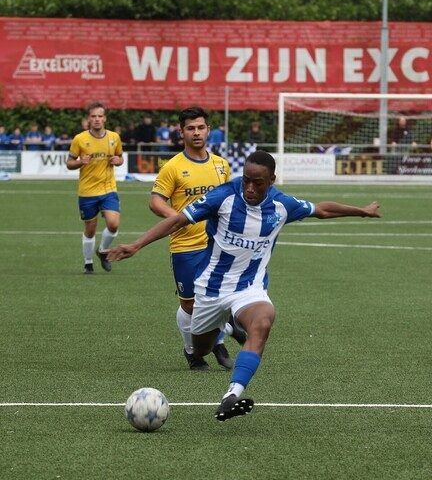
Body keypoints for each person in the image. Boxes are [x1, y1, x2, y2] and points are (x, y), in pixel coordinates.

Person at [107, 150, 381, 421]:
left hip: (249, 288)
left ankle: (232, 395)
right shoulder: (223, 196)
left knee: (263, 321)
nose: (249, 187)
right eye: (246, 180)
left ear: (271, 180)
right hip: (211, 290)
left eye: (257, 182)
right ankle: (209, 337)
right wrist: (136, 244)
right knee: (201, 348)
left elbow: (321, 209)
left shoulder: (282, 205)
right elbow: (178, 220)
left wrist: (362, 212)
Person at [149, 107, 235, 371]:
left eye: (200, 127)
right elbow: (155, 201)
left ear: (208, 130)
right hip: (185, 246)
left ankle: (218, 340)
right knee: (190, 304)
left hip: (218, 245)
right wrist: (178, 217)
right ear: (181, 132)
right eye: (190, 128)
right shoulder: (173, 167)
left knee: (222, 297)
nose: (196, 133)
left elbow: (230, 200)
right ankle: (192, 352)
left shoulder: (221, 165)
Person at [65, 102, 124, 274]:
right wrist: (79, 162)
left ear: (104, 118)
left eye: (100, 116)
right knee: (90, 230)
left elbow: (120, 157)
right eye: (93, 116)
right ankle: (88, 263)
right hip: (87, 192)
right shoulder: (80, 139)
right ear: (88, 119)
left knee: (113, 224)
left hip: (108, 190)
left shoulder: (114, 137)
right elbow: (69, 163)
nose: (97, 119)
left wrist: (117, 161)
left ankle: (103, 251)